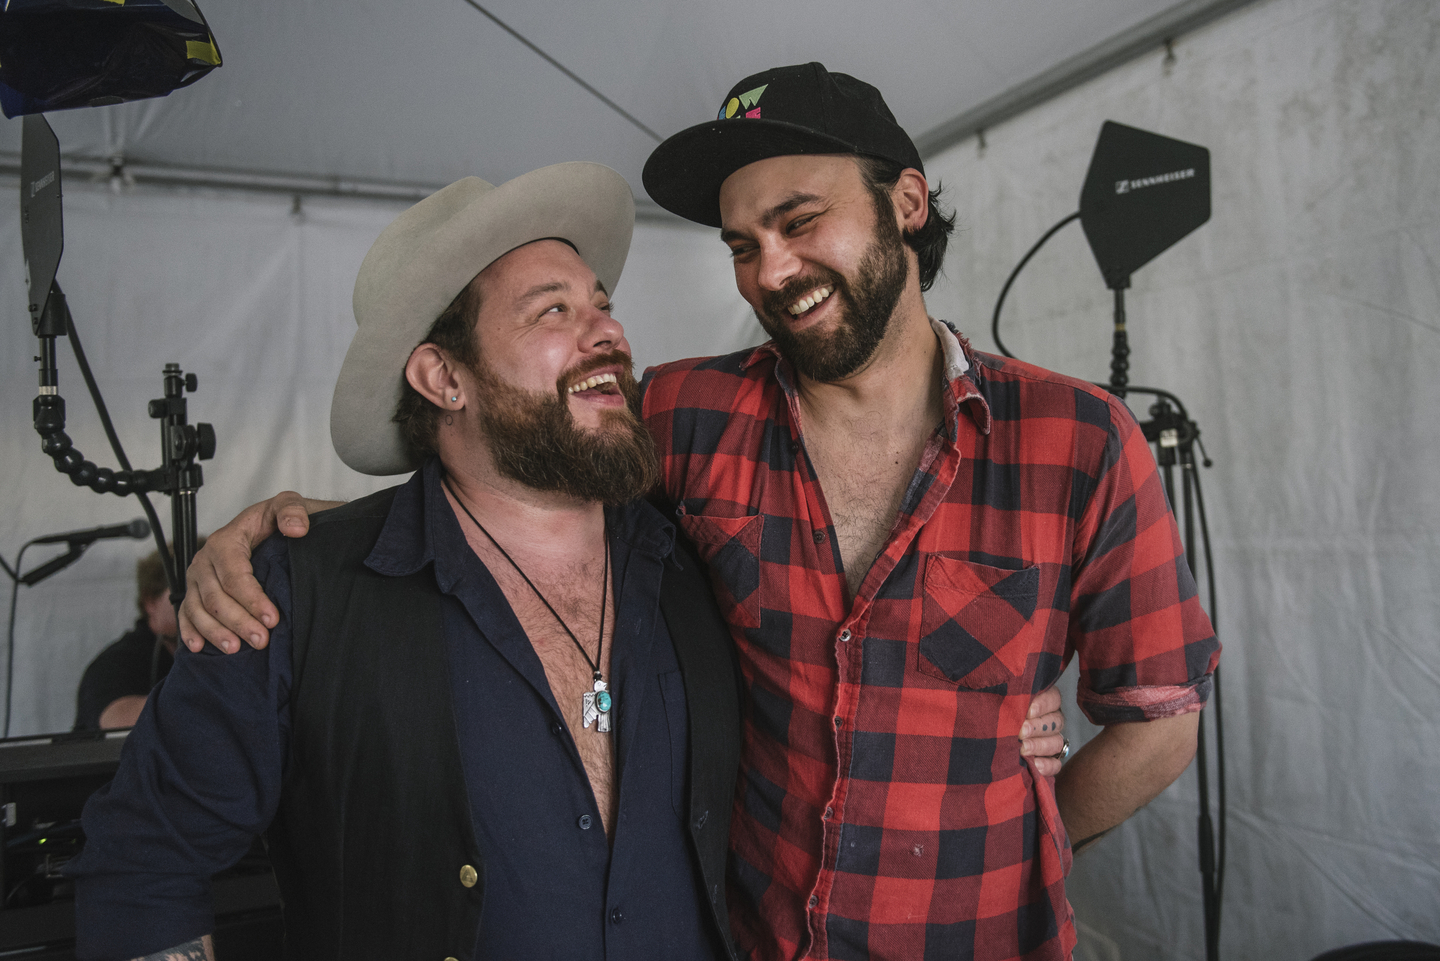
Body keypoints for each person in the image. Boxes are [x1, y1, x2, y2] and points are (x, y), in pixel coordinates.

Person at [177, 71, 1109, 959]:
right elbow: (515, 470)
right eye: (743, 245)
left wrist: (1022, 805)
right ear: (441, 375)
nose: (770, 268)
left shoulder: (1075, 435)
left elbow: (1160, 718)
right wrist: (294, 536)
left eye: (799, 220)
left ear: (907, 202)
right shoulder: (687, 418)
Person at [66, 163, 749, 961]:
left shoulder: (690, 552)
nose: (608, 331)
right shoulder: (297, 592)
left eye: (601, 302)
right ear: (444, 377)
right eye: (553, 310)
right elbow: (144, 860)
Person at [74, 540, 203, 731]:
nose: (204, 600)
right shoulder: (117, 661)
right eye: (190, 590)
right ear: (150, 601)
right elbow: (116, 721)